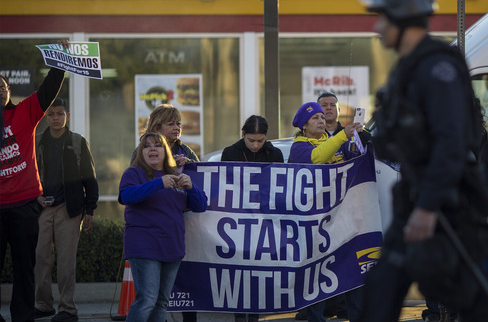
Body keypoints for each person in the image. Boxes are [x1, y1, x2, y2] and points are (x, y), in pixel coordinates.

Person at [347, 0, 488, 322]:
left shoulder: (437, 68)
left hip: (445, 209)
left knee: (471, 299)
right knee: (381, 293)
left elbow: (451, 146)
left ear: (403, 17)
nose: (377, 28)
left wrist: (428, 209)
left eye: (382, 18)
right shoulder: (410, 68)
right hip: (419, 203)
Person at [1, 41, 67, 322]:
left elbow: (48, 89)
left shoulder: (24, 112)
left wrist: (59, 61)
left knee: (25, 266)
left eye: (1, 87)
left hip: (25, 204)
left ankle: (23, 316)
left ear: (9, 91)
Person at [118, 132, 208, 322]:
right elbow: (126, 196)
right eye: (147, 146)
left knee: (161, 303)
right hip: (144, 246)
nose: (152, 148)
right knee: (147, 299)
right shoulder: (133, 173)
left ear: (165, 151)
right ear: (141, 152)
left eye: (157, 145)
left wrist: (192, 188)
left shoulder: (176, 175)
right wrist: (158, 183)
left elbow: (200, 206)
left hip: (172, 247)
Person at [288, 102, 363, 322]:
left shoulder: (329, 142)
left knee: (351, 269)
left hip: (340, 219)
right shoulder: (299, 146)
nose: (321, 121)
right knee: (316, 274)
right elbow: (317, 157)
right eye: (315, 118)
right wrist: (341, 137)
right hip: (315, 223)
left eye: (322, 117)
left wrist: (358, 141)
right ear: (303, 126)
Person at [33, 98, 99, 322]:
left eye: (60, 114)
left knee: (66, 261)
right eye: (51, 114)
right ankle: (43, 305)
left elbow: (90, 178)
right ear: (46, 116)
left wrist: (90, 209)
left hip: (68, 208)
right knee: (41, 258)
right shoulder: (37, 141)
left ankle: (67, 308)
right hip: (42, 207)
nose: (55, 118)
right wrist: (36, 196)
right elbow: (29, 175)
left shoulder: (77, 141)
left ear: (67, 116)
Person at [221, 114, 282, 322]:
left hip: (264, 221)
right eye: (251, 141)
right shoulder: (230, 152)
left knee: (258, 272)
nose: (256, 145)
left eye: (260, 141)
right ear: (243, 135)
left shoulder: (275, 153)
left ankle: (254, 317)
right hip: (238, 221)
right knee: (239, 270)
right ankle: (239, 316)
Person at [130, 104, 198, 168]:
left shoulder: (185, 150)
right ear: (156, 128)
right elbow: (133, 177)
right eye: (170, 124)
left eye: (178, 124)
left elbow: (201, 172)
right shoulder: (141, 151)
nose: (176, 127)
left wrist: (189, 163)